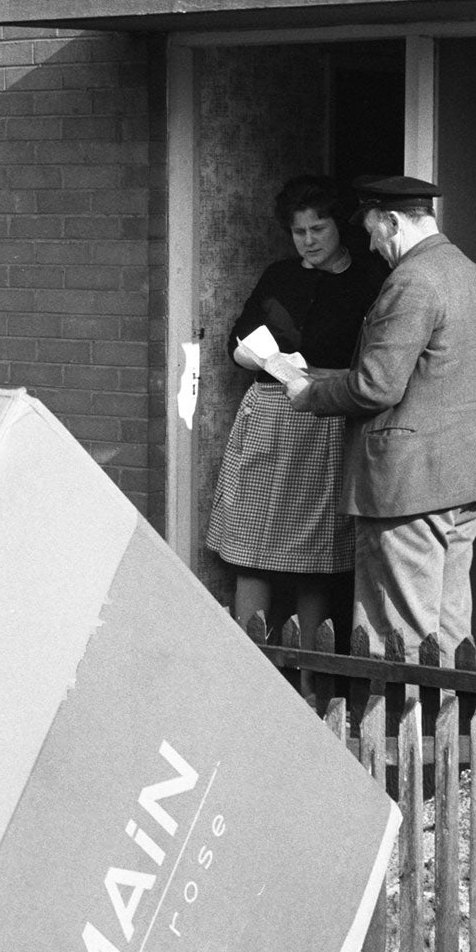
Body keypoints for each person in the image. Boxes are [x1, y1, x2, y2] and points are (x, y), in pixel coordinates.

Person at [275, 176, 476, 652]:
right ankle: (450, 724)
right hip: (464, 477)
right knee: (448, 626)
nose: (374, 247)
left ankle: (395, 728)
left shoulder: (412, 281)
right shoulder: (474, 275)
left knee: (394, 632)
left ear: (394, 222)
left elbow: (376, 385)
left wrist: (308, 393)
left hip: (408, 487)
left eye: (375, 232)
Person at [204, 176, 386, 643]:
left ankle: (312, 687)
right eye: (298, 231)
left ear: (338, 227)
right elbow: (237, 340)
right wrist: (262, 357)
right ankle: (252, 672)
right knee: (251, 546)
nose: (308, 241)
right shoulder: (278, 276)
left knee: (315, 558)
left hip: (325, 420)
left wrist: (316, 373)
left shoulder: (369, 280)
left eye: (318, 229)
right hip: (267, 417)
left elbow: (374, 363)